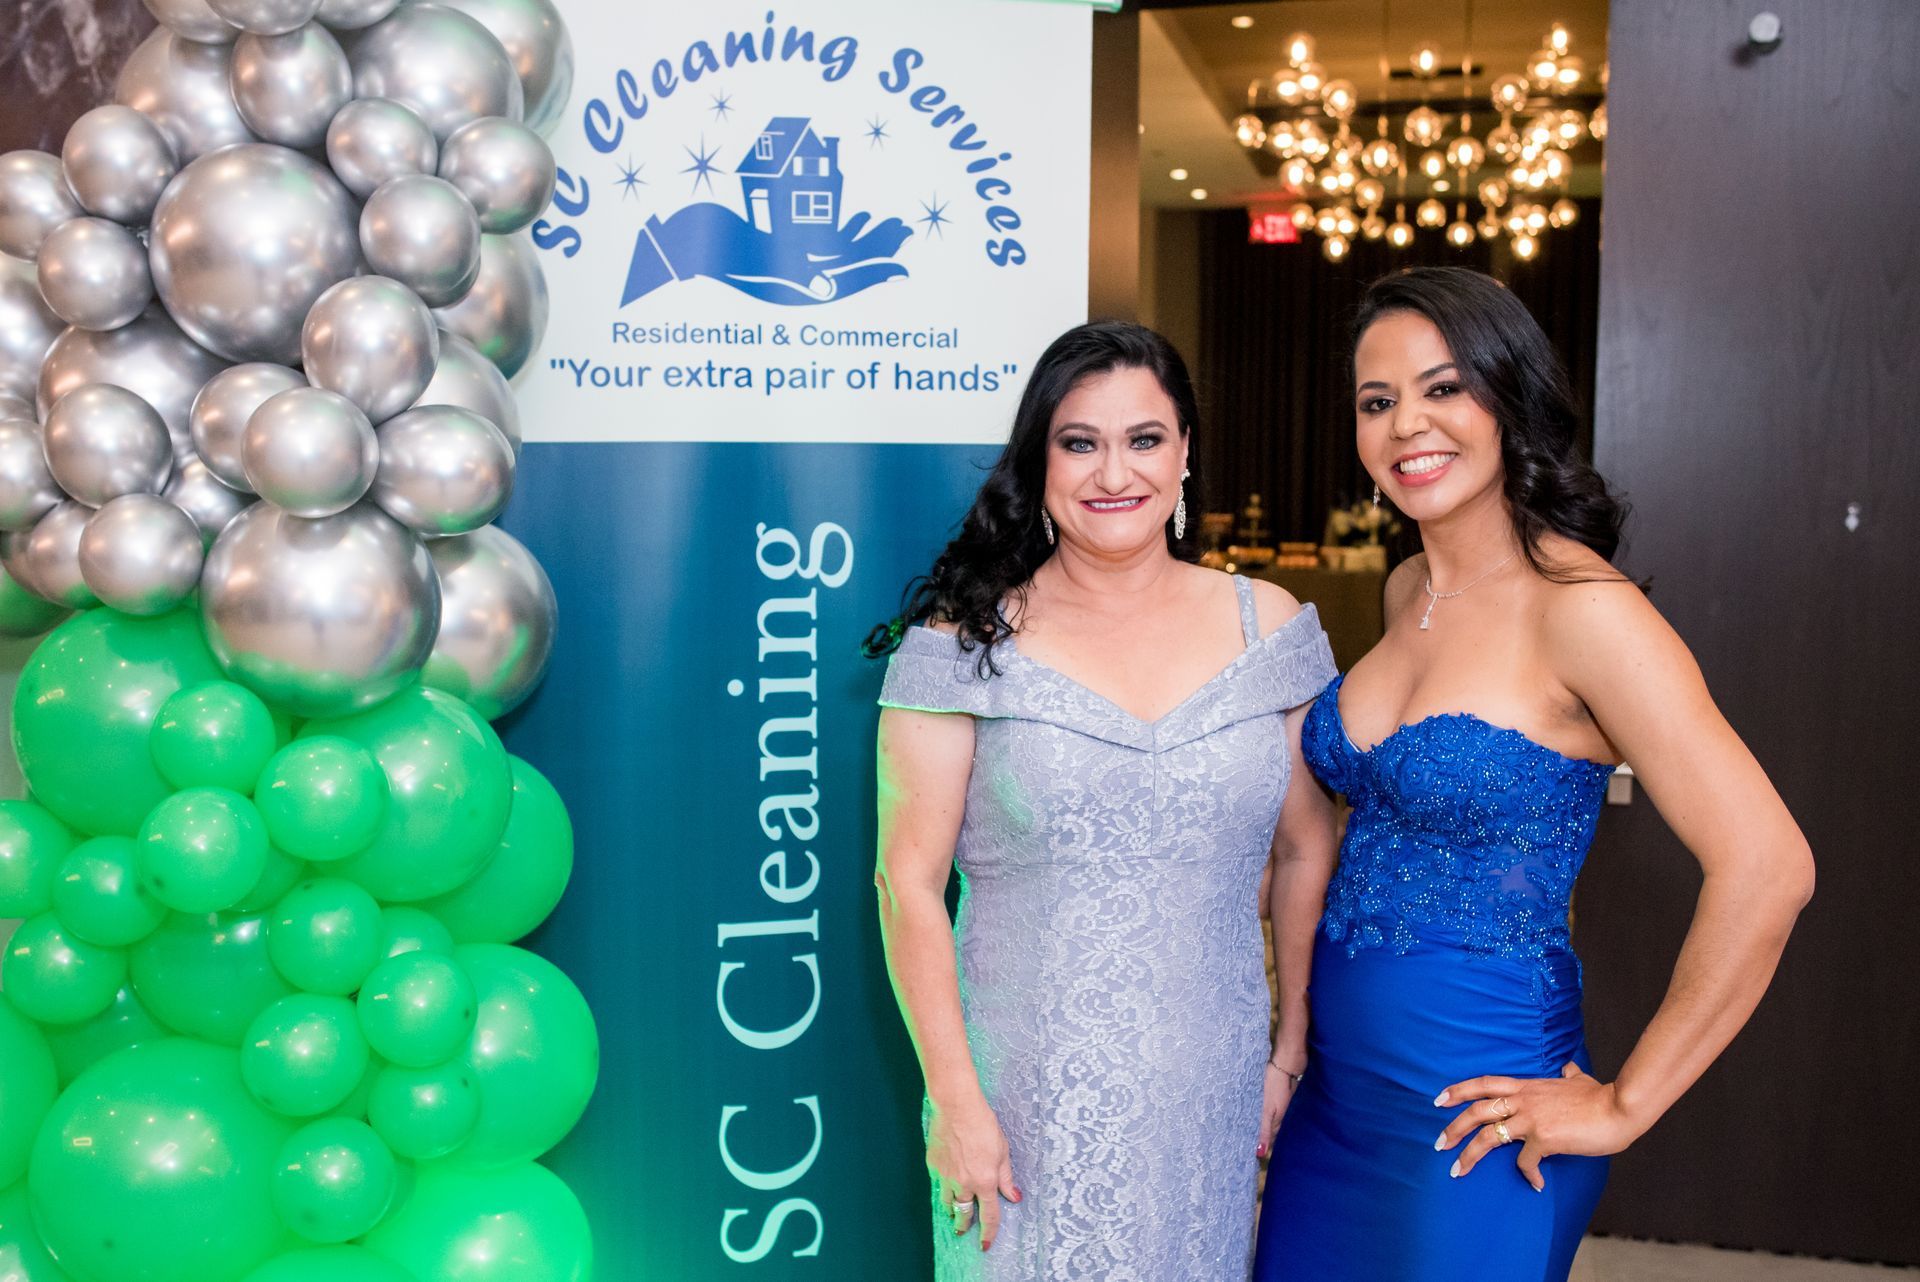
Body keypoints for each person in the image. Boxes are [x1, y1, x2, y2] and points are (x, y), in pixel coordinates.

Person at [1253, 267, 1814, 1282]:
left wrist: (1624, 1101)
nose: (1406, 424)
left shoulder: (1583, 609)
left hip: (1477, 1118)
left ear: (1509, 397)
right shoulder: (1406, 586)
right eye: (1377, 402)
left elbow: (1770, 865)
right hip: (1338, 1109)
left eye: (1443, 387)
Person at [869, 321, 1338, 1280]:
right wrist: (955, 1101)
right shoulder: (962, 643)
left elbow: (1304, 848)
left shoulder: (1268, 627)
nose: (1112, 471)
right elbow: (905, 883)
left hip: (1211, 1090)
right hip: (1019, 1099)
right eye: (1079, 442)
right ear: (1038, 462)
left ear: (1186, 454)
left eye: (1145, 439)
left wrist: (1288, 1049)